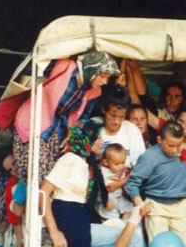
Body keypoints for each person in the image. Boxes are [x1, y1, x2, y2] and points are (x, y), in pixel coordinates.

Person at [40, 122, 144, 247]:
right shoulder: (69, 159)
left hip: (80, 218)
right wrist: (54, 231)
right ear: (86, 140)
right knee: (132, 241)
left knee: (132, 240)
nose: (101, 141)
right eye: (97, 138)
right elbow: (44, 192)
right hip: (69, 219)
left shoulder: (86, 163)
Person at [10, 51, 120, 183]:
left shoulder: (94, 91)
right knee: (32, 174)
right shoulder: (65, 66)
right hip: (33, 123)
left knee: (49, 180)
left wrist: (71, 134)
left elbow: (83, 117)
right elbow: (36, 70)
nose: (105, 82)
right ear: (90, 69)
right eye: (102, 76)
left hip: (57, 132)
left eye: (107, 78)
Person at [125, 121, 186, 247]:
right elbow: (132, 183)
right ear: (160, 140)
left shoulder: (175, 153)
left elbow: (177, 172)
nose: (175, 150)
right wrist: (140, 204)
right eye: (171, 145)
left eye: (178, 145)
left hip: (180, 206)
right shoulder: (149, 157)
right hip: (156, 206)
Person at [97, 143, 134, 221]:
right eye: (116, 164)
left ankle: (125, 225)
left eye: (123, 162)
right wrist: (124, 180)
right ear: (106, 162)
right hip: (106, 202)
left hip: (118, 198)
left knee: (131, 210)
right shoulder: (103, 172)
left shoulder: (120, 169)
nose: (120, 166)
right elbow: (109, 188)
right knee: (113, 219)